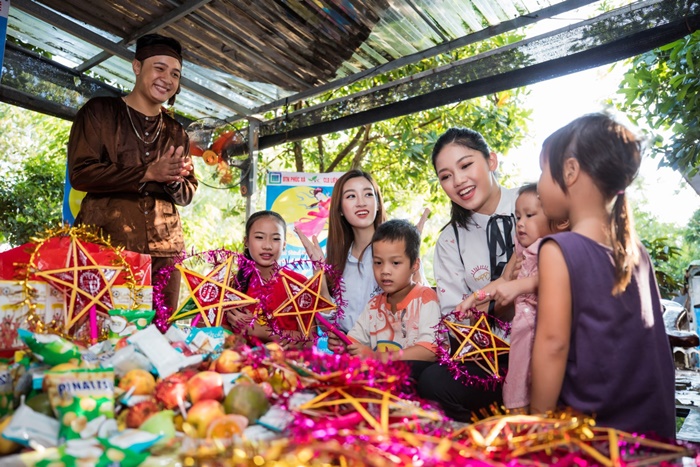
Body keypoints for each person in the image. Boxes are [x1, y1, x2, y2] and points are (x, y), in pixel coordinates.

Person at [530, 113, 675, 439]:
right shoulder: (636, 252)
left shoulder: (559, 249)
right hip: (649, 439)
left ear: (570, 170)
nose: (538, 185)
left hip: (593, 441)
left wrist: (535, 427)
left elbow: (553, 346)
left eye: (542, 171)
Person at [68, 33, 197, 314]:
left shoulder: (177, 132)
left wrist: (175, 181)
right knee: (103, 331)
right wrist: (148, 172)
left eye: (175, 74)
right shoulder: (99, 112)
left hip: (165, 252)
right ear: (137, 66)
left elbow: (188, 192)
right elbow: (81, 174)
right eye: (159, 68)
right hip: (107, 244)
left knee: (159, 334)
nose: (167, 79)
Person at [416, 127, 518, 422]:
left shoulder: (532, 204)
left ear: (491, 161)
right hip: (492, 359)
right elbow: (456, 320)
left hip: (550, 339)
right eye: (445, 176)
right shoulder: (450, 240)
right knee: (430, 380)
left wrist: (483, 301)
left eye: (466, 165)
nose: (458, 181)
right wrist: (500, 292)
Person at [456, 183, 568, 412]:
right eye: (517, 216)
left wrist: (518, 287)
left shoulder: (554, 246)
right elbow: (504, 281)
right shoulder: (522, 250)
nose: (520, 223)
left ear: (555, 221)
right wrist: (476, 297)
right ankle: (517, 413)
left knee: (539, 383)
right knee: (518, 377)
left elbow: (548, 279)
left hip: (543, 327)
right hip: (521, 328)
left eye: (529, 215)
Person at [331, 220, 441, 368]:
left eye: (395, 263)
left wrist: (376, 356)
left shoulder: (425, 299)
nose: (385, 271)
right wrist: (344, 345)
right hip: (381, 381)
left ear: (415, 265)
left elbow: (430, 350)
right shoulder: (374, 305)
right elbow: (355, 342)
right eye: (378, 263)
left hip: (415, 381)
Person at [295, 170, 387, 333]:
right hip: (346, 357)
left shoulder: (398, 252)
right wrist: (320, 275)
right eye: (351, 196)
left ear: (378, 203)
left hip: (389, 355)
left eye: (368, 194)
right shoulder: (336, 261)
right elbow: (326, 326)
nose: (361, 203)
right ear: (340, 209)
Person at [226, 210, 310, 347]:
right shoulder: (233, 285)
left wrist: (261, 331)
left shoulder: (298, 284)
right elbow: (223, 336)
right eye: (259, 237)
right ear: (246, 242)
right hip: (243, 365)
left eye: (276, 238)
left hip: (288, 365)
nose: (267, 246)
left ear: (284, 244)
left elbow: (309, 341)